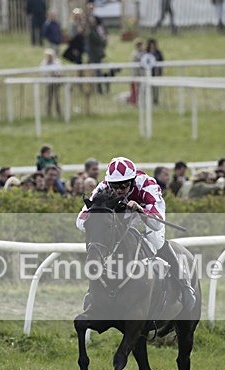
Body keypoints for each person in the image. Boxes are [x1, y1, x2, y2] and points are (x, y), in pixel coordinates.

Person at [76, 156, 196, 313]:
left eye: (124, 185)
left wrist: (140, 209)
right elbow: (80, 222)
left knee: (155, 241)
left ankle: (184, 284)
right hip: (122, 219)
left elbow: (157, 222)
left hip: (147, 215)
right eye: (115, 185)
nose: (119, 189)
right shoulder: (103, 187)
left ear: (132, 181)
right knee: (107, 246)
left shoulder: (147, 185)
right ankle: (92, 292)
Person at [39, 48, 62, 117]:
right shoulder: (43, 63)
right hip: (48, 83)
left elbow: (59, 71)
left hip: (56, 83)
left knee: (57, 98)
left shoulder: (57, 62)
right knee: (49, 98)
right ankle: (48, 114)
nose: (48, 57)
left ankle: (59, 113)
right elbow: (42, 72)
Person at [146, 38, 164, 105]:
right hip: (148, 73)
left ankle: (155, 100)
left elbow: (162, 61)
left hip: (156, 73)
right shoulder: (146, 52)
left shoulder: (158, 53)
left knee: (156, 88)